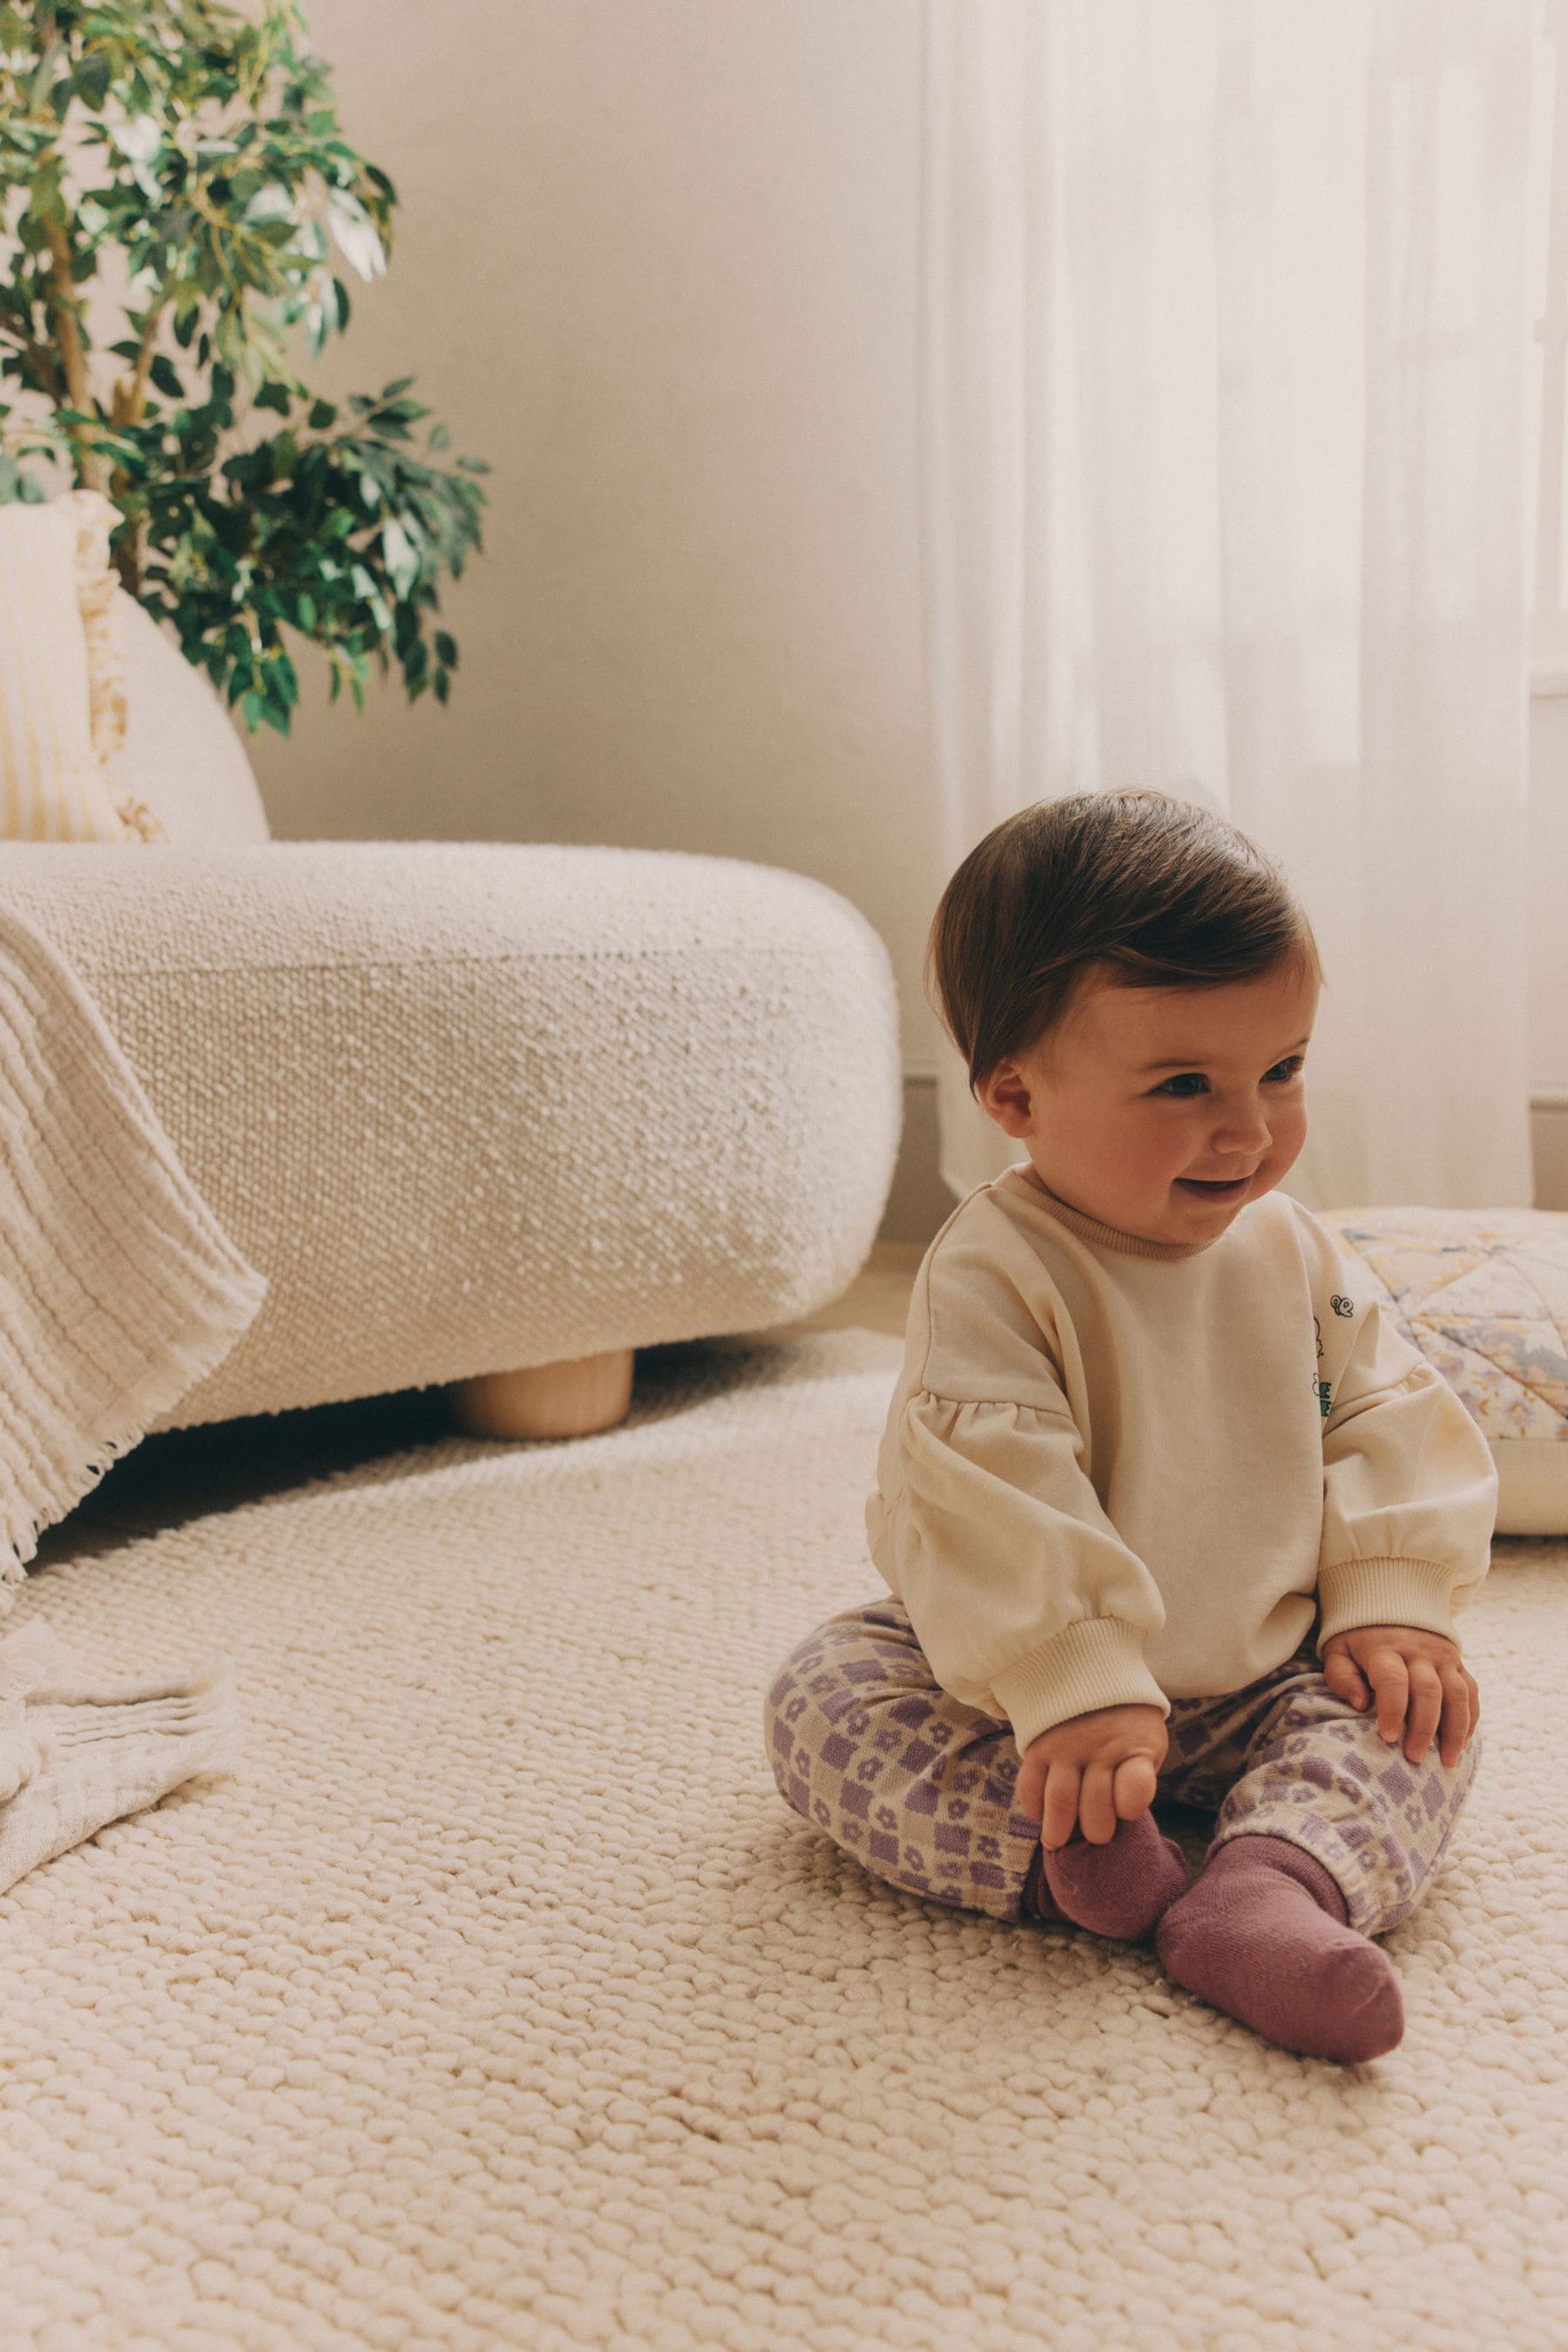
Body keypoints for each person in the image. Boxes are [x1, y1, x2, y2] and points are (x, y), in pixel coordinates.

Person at [762, 788, 1496, 2064]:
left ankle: (1270, 1890)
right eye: (1183, 1085)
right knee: (825, 1700)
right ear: (1014, 1097)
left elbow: (1387, 1403)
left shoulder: (1291, 1245)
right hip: (1038, 1699)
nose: (1250, 1129)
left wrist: (1389, 1594)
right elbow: (994, 1487)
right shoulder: (996, 1271)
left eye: (1283, 1068)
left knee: (1419, 1720)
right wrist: (1074, 1682)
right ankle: (1082, 1861)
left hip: (1273, 1667)